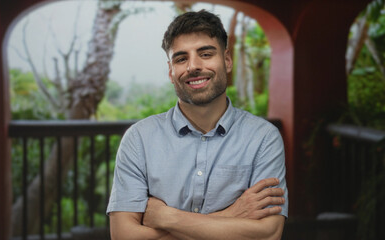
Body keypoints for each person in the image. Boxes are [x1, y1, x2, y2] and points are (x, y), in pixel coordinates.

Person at [107, 9, 288, 240]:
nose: (193, 66)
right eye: (181, 58)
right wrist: (233, 215)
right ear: (171, 72)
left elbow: (267, 235)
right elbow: (123, 236)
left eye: (205, 54)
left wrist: (166, 217)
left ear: (227, 60)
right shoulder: (139, 139)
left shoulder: (263, 138)